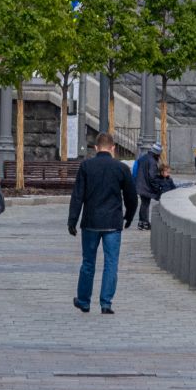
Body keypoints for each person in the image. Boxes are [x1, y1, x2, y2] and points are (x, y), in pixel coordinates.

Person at [68, 131, 138, 314]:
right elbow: (131, 197)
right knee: (111, 264)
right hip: (113, 223)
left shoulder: (86, 166)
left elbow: (77, 196)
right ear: (113, 148)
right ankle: (106, 303)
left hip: (90, 221)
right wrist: (129, 216)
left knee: (88, 263)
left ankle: (84, 301)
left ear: (96, 148)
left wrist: (72, 220)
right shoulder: (121, 168)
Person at [133, 142, 174, 230]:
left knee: (144, 203)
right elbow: (152, 177)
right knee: (145, 204)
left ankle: (141, 222)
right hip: (145, 186)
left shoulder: (144, 157)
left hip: (140, 184)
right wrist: (157, 188)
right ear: (157, 153)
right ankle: (145, 223)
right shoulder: (152, 161)